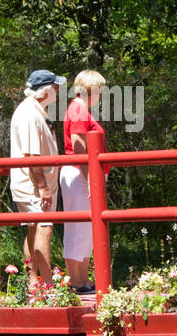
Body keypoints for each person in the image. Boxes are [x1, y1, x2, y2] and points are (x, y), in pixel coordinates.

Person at [10, 69, 65, 286]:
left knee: (34, 228)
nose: (58, 91)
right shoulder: (29, 114)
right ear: (45, 90)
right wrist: (43, 188)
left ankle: (34, 281)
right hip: (33, 186)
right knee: (44, 228)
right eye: (55, 86)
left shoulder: (37, 111)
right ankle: (48, 285)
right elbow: (31, 156)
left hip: (36, 184)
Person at [60, 69, 107, 292]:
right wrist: (90, 178)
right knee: (77, 228)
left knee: (87, 229)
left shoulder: (81, 110)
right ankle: (75, 280)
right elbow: (79, 145)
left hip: (84, 174)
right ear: (90, 90)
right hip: (79, 173)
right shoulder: (78, 110)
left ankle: (83, 278)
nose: (101, 94)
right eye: (99, 90)